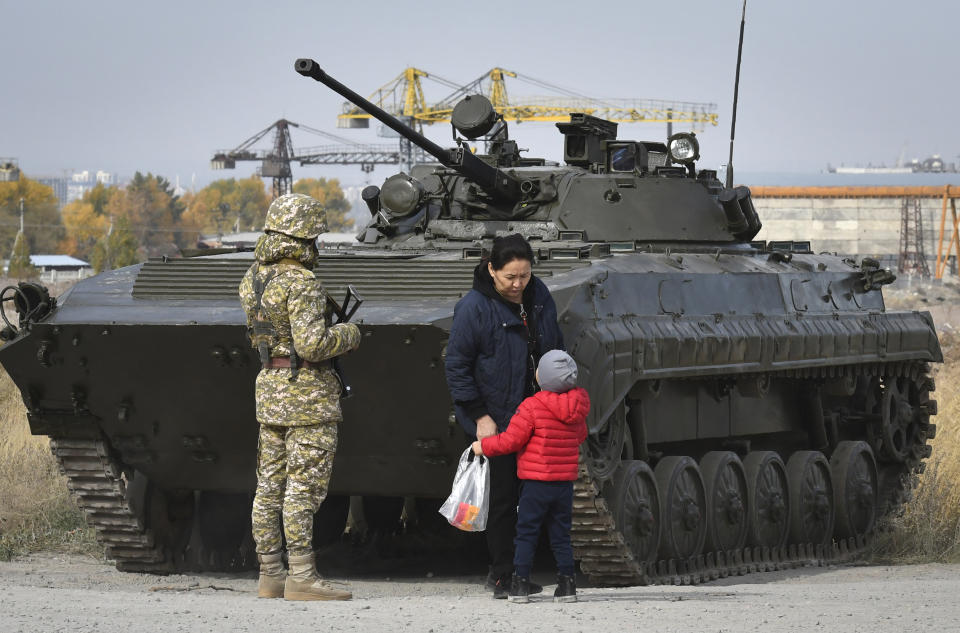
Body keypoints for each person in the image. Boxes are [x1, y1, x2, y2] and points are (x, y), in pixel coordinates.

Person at [239, 193, 362, 601]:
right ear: (307, 237)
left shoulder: (254, 277)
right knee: (302, 489)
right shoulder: (302, 282)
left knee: (268, 487)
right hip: (307, 396)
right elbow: (311, 346)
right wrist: (349, 334)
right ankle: (303, 577)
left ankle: (270, 574)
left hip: (270, 390)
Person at [444, 233, 565, 599]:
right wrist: (479, 415)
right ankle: (503, 576)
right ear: (491, 269)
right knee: (501, 499)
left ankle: (525, 570)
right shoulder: (474, 307)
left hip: (537, 415)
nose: (517, 284)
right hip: (495, 418)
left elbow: (554, 349)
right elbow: (457, 366)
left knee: (533, 498)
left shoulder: (538, 296)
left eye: (524, 275)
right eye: (510, 276)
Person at [471, 350, 589, 603]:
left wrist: (485, 447)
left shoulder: (532, 406)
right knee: (560, 535)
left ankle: (520, 585)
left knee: (526, 533)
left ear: (540, 377)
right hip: (563, 485)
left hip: (535, 484)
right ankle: (567, 586)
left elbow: (512, 440)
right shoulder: (578, 407)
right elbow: (580, 437)